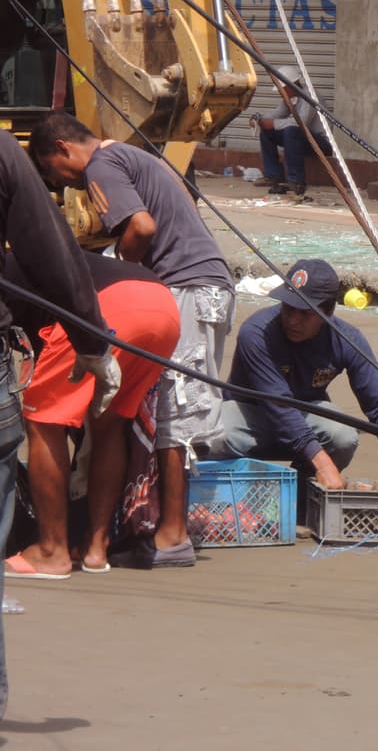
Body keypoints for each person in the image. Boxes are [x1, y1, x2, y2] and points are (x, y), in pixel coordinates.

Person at [30, 113, 234, 569]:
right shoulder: (135, 156)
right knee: (155, 410)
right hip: (194, 287)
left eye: (53, 172)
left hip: (189, 287)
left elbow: (141, 227)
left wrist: (124, 265)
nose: (66, 185)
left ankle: (172, 534)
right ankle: (145, 524)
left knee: (174, 413)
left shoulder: (102, 165)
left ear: (63, 149)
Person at [0, 127, 120, 718]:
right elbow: (48, 250)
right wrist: (91, 341)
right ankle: (81, 546)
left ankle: (60, 547)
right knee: (100, 424)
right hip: (137, 312)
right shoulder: (3, 152)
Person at [4, 253, 179, 578]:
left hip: (107, 308)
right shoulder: (29, 255)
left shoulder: (8, 272)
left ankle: (51, 551)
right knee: (108, 424)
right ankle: (95, 548)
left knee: (43, 420)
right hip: (163, 306)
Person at [204, 259, 378, 494]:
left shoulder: (347, 339)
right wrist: (323, 462)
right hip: (250, 418)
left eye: (304, 313)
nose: (293, 320)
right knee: (212, 434)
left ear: (329, 312)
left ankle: (304, 495)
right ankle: (230, 494)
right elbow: (278, 404)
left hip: (304, 415)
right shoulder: (256, 332)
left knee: (344, 435)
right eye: (288, 308)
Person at [251, 65, 334, 200]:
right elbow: (277, 114)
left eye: (281, 89)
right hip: (301, 142)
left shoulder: (310, 96)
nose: (280, 92)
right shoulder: (291, 98)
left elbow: (300, 123)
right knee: (267, 131)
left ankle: (296, 181)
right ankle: (273, 175)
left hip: (321, 144)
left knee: (292, 130)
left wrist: (273, 124)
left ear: (290, 86)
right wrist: (260, 120)